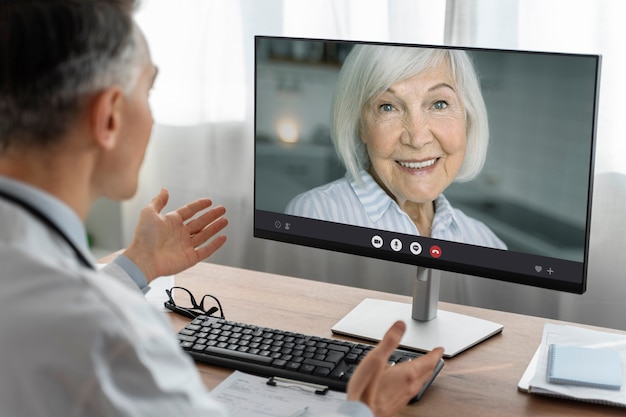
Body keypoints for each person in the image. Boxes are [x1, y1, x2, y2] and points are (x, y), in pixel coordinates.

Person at [0, 1, 444, 416]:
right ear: (110, 117)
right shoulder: (113, 341)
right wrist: (360, 408)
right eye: (148, 90)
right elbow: (77, 320)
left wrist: (136, 266)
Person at [286, 44, 506, 250]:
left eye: (439, 104)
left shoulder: (487, 244)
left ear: (467, 119)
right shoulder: (317, 216)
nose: (417, 139)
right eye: (388, 107)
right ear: (361, 125)